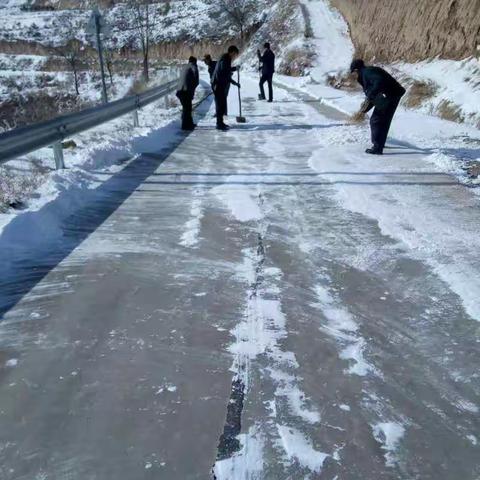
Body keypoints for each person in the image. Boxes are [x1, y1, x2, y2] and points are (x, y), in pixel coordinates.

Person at [350, 59, 406, 155]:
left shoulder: (368, 72)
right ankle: (380, 144)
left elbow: (379, 82)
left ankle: (377, 148)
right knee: (384, 120)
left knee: (376, 120)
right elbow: (373, 94)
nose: (353, 75)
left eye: (353, 72)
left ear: (356, 70)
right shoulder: (367, 73)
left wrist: (370, 94)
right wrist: (364, 109)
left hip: (389, 95)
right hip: (392, 94)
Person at [212, 45, 240, 131]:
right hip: (218, 84)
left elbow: (226, 71)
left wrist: (235, 68)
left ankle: (221, 122)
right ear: (232, 52)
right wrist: (234, 82)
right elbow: (225, 73)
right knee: (220, 105)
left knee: (222, 104)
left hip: (220, 84)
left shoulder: (226, 58)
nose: (235, 56)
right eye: (235, 54)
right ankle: (219, 124)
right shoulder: (225, 59)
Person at [176, 56, 199, 131]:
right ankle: (185, 126)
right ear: (195, 62)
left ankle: (189, 124)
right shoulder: (194, 66)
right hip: (186, 91)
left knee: (187, 107)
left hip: (179, 91)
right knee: (187, 108)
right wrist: (192, 89)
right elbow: (196, 80)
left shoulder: (184, 67)